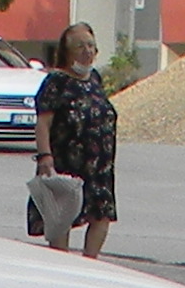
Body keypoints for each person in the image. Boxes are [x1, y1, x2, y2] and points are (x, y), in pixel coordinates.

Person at [34, 25, 120, 257]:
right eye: (79, 46)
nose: (87, 51)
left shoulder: (95, 79)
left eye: (90, 46)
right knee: (62, 217)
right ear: (67, 52)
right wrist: (45, 156)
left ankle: (89, 264)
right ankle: (61, 264)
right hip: (67, 163)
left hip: (99, 167)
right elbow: (43, 123)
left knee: (101, 215)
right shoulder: (56, 82)